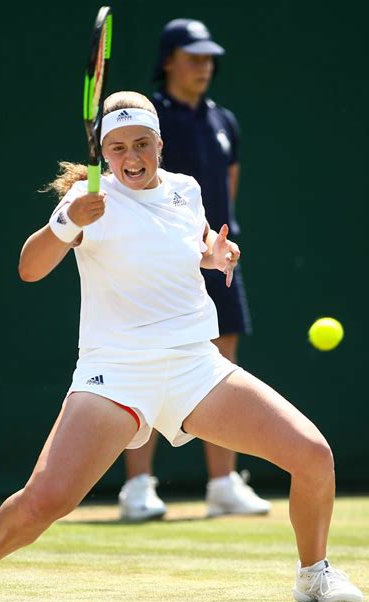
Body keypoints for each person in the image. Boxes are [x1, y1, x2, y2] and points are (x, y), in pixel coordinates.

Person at [0, 91, 363, 602]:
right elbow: (29, 267)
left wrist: (215, 253)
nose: (131, 158)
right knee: (47, 500)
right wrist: (67, 223)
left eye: (141, 144)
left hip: (194, 366)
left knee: (313, 456)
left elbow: (194, 242)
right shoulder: (84, 203)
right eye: (117, 148)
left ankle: (313, 573)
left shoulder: (187, 191)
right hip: (115, 374)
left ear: (160, 143)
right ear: (102, 152)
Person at [118, 18, 270, 521]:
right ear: (168, 62)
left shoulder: (224, 120)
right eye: (193, 57)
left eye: (209, 58)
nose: (204, 66)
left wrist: (213, 244)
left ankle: (223, 483)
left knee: (221, 366)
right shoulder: (148, 122)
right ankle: (138, 487)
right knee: (146, 363)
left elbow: (229, 183)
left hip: (213, 251)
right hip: (156, 259)